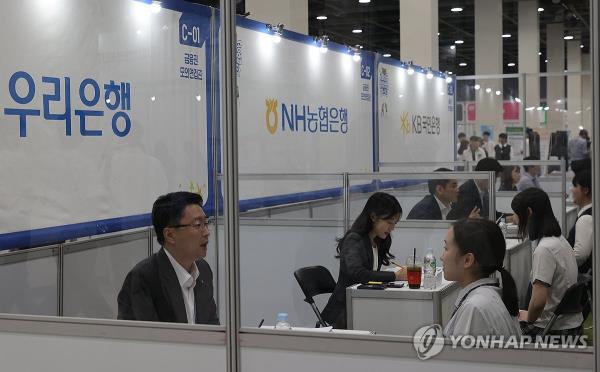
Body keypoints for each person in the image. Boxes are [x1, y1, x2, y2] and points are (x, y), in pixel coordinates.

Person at [117, 192, 219, 325]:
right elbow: (144, 340)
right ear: (170, 235)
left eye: (206, 223)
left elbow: (213, 330)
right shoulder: (143, 279)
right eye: (197, 225)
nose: (206, 232)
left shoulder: (203, 271)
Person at [321, 192, 406, 328]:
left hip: (362, 305)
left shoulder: (378, 240)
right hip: (343, 314)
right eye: (389, 222)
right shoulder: (354, 239)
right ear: (373, 216)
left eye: (394, 223)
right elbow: (359, 274)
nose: (392, 228)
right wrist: (394, 276)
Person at [511, 188, 583, 336]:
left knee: (504, 328)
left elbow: (538, 302)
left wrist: (528, 317)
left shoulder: (544, 250)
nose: (514, 219)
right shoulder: (559, 241)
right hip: (570, 324)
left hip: (553, 329)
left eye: (517, 214)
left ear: (529, 212)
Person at [442, 219, 521, 337]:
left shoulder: (474, 308)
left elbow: (460, 355)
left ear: (467, 260)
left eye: (446, 248)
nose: (441, 257)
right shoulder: (486, 297)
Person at [568, 169, 592, 273]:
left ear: (585, 190)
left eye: (575, 186)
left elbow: (580, 255)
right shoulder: (590, 212)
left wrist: (558, 263)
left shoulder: (586, 219)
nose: (571, 190)